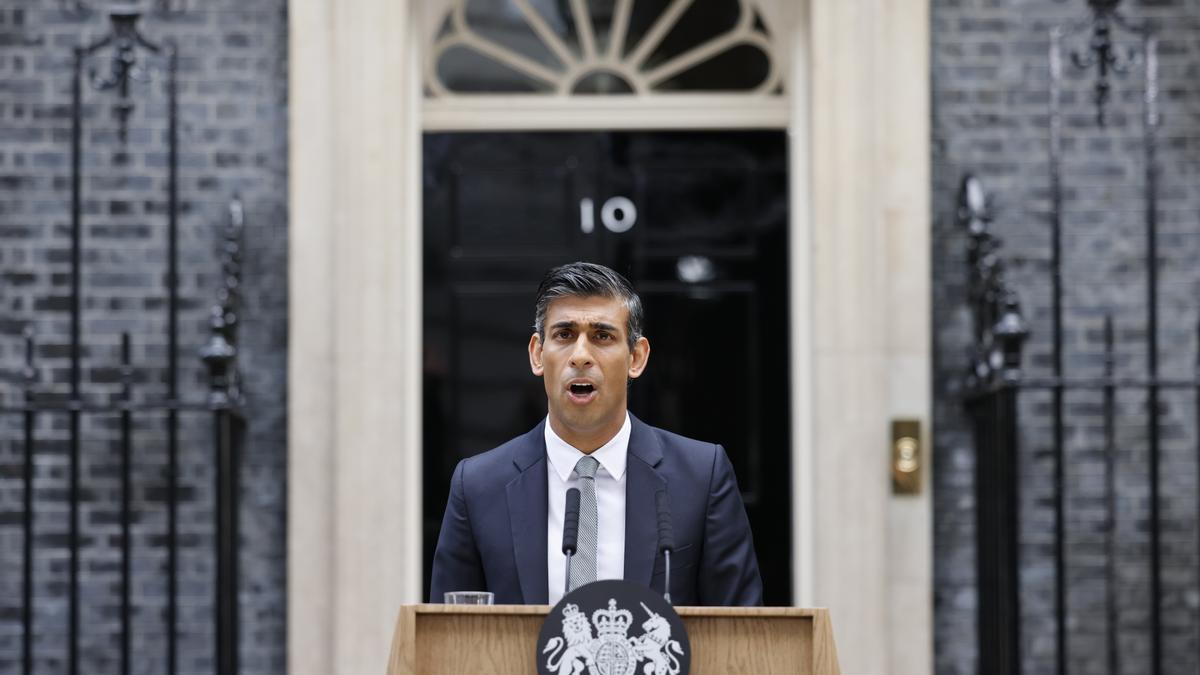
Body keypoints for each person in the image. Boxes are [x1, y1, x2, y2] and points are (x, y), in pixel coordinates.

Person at [430, 262, 762, 606]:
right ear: (537, 354)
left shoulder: (701, 477)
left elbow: (742, 636)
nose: (581, 356)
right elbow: (450, 640)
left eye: (602, 336)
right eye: (564, 335)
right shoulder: (479, 486)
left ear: (636, 357)